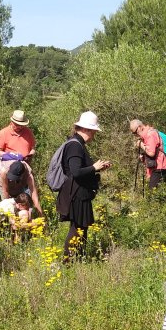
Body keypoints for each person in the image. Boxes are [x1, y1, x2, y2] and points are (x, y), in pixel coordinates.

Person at [57, 111, 111, 262]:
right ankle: (67, 262)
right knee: (77, 228)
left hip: (79, 192)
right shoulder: (75, 146)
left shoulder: (78, 143)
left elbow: (80, 169)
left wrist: (98, 168)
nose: (94, 135)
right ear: (87, 130)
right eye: (94, 131)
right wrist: (94, 167)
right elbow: (75, 172)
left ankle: (79, 259)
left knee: (81, 228)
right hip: (77, 193)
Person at [130, 119, 166, 188]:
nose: (135, 135)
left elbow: (151, 153)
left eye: (135, 132)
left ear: (140, 127)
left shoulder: (150, 134)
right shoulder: (147, 135)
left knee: (154, 194)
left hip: (159, 167)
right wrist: (143, 157)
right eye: (133, 133)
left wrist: (141, 145)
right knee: (156, 194)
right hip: (158, 167)